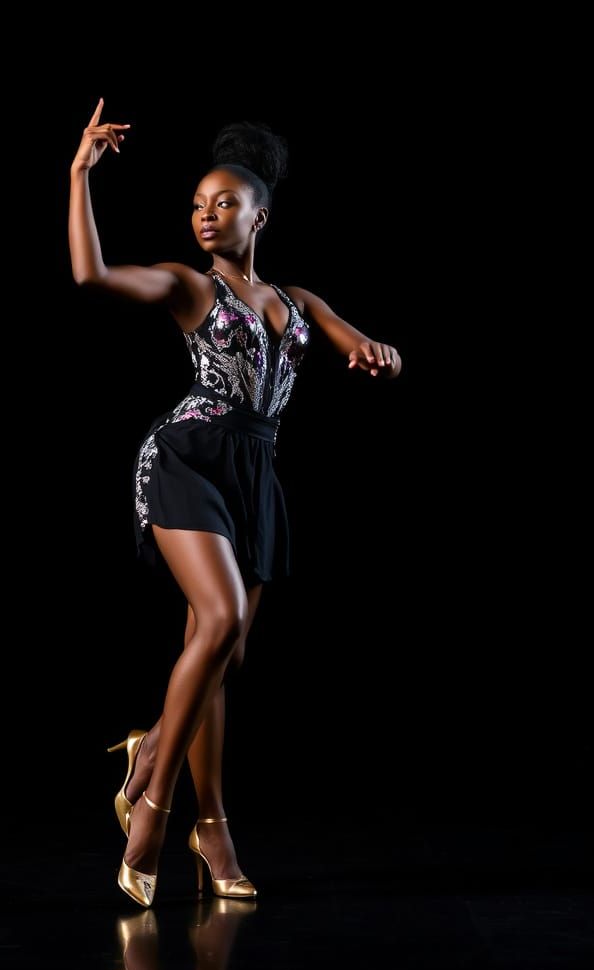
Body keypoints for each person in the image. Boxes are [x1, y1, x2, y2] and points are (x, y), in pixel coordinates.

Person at [68, 98, 401, 908]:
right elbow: (92, 275)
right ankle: (152, 808)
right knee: (216, 624)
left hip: (256, 476)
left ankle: (205, 815)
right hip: (187, 457)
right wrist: (80, 175)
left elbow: (365, 348)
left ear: (262, 214)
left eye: (224, 203)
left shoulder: (296, 301)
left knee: (224, 657)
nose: (206, 215)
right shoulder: (191, 287)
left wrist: (378, 356)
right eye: (196, 204)